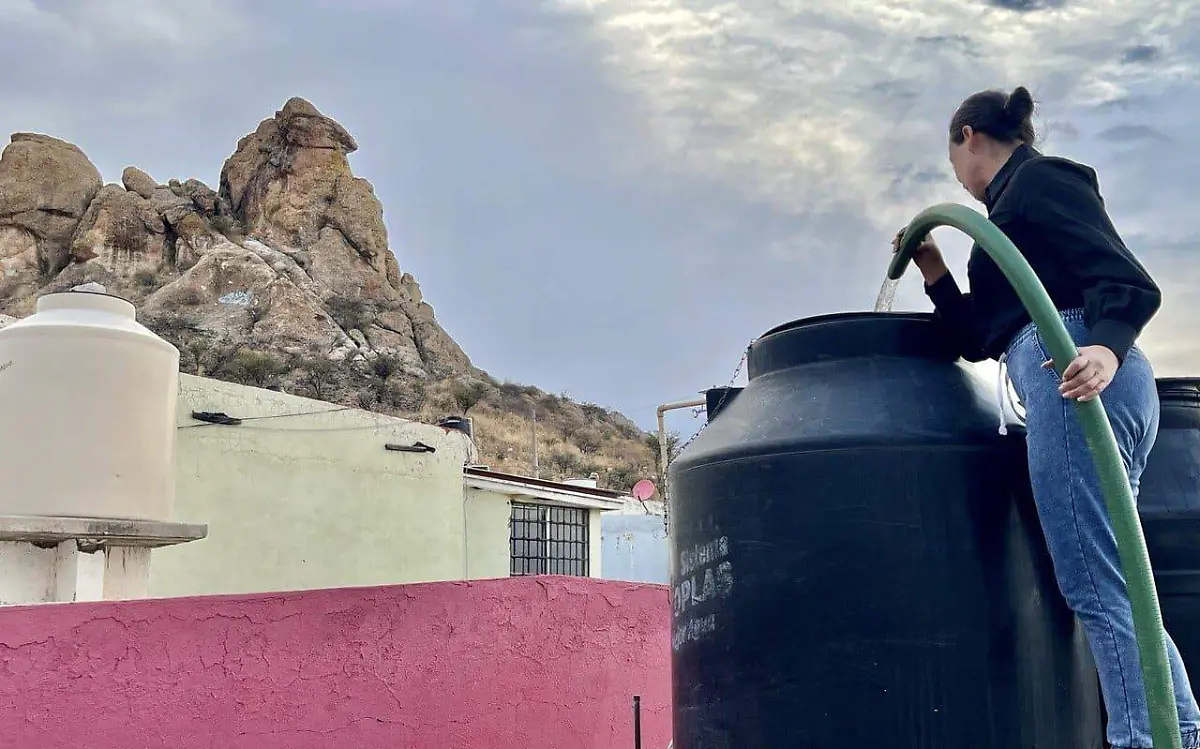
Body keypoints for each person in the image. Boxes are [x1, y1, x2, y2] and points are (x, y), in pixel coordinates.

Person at [892, 86, 1200, 749]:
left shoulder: (1040, 182)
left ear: (968, 137)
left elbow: (1125, 278)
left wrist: (1105, 347)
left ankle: (1147, 739)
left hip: (1074, 370)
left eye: (953, 160)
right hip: (1075, 371)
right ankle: (1178, 730)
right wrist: (934, 268)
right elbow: (981, 337)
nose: (958, 178)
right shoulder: (1007, 213)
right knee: (1116, 575)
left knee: (1094, 579)